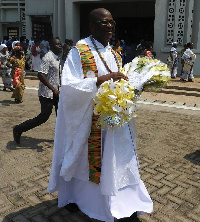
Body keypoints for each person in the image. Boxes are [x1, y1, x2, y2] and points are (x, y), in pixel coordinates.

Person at [47, 8, 153, 222]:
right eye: (104, 22)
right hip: (89, 120)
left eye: (112, 22)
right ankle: (79, 199)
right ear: (92, 26)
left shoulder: (113, 52)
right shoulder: (80, 50)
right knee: (85, 162)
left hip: (113, 118)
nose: (110, 26)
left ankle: (123, 202)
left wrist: (133, 84)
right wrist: (100, 80)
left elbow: (119, 79)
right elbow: (68, 86)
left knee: (117, 159)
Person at [13, 37, 63, 144]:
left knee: (61, 116)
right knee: (43, 117)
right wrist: (53, 89)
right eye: (58, 44)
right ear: (52, 46)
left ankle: (62, 139)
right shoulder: (48, 57)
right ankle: (18, 129)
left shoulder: (57, 58)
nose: (61, 46)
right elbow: (41, 74)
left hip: (56, 92)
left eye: (60, 44)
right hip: (47, 93)